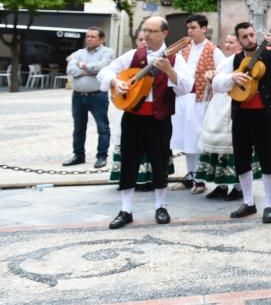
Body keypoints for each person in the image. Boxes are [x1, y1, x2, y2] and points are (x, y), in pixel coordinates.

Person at [100, 17, 192, 229]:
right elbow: (106, 71)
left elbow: (186, 87)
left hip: (159, 118)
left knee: (159, 162)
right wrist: (117, 82)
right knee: (129, 161)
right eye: (145, 30)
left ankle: (160, 206)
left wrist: (170, 71)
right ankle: (126, 209)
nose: (147, 35)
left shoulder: (176, 59)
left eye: (152, 31)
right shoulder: (134, 55)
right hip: (132, 116)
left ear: (164, 34)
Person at [212, 21, 271, 224]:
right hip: (241, 115)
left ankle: (269, 205)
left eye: (252, 34)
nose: (250, 39)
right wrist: (232, 77)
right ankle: (248, 202)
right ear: (239, 39)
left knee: (267, 159)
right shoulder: (233, 60)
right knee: (241, 159)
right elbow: (216, 83)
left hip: (263, 115)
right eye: (245, 36)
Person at [195, 33, 260, 200]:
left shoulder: (243, 60)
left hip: (233, 103)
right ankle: (221, 185)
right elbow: (217, 82)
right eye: (226, 41)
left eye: (231, 42)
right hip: (218, 105)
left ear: (240, 44)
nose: (227, 45)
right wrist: (211, 77)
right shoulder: (225, 60)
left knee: (235, 146)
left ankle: (239, 187)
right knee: (216, 144)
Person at [170, 14, 224, 194]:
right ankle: (190, 175)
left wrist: (212, 76)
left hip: (202, 100)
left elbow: (222, 72)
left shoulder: (213, 50)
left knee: (197, 138)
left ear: (204, 28)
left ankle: (200, 179)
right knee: (186, 138)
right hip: (184, 98)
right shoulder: (183, 49)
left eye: (193, 27)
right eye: (188, 28)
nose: (190, 31)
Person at [62, 27, 114, 168]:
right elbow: (70, 69)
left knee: (102, 127)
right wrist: (88, 70)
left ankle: (102, 156)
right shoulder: (79, 53)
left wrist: (83, 67)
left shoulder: (107, 52)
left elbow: (102, 68)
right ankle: (78, 155)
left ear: (101, 39)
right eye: (87, 36)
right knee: (78, 127)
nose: (89, 39)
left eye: (92, 36)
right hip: (78, 96)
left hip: (97, 95)